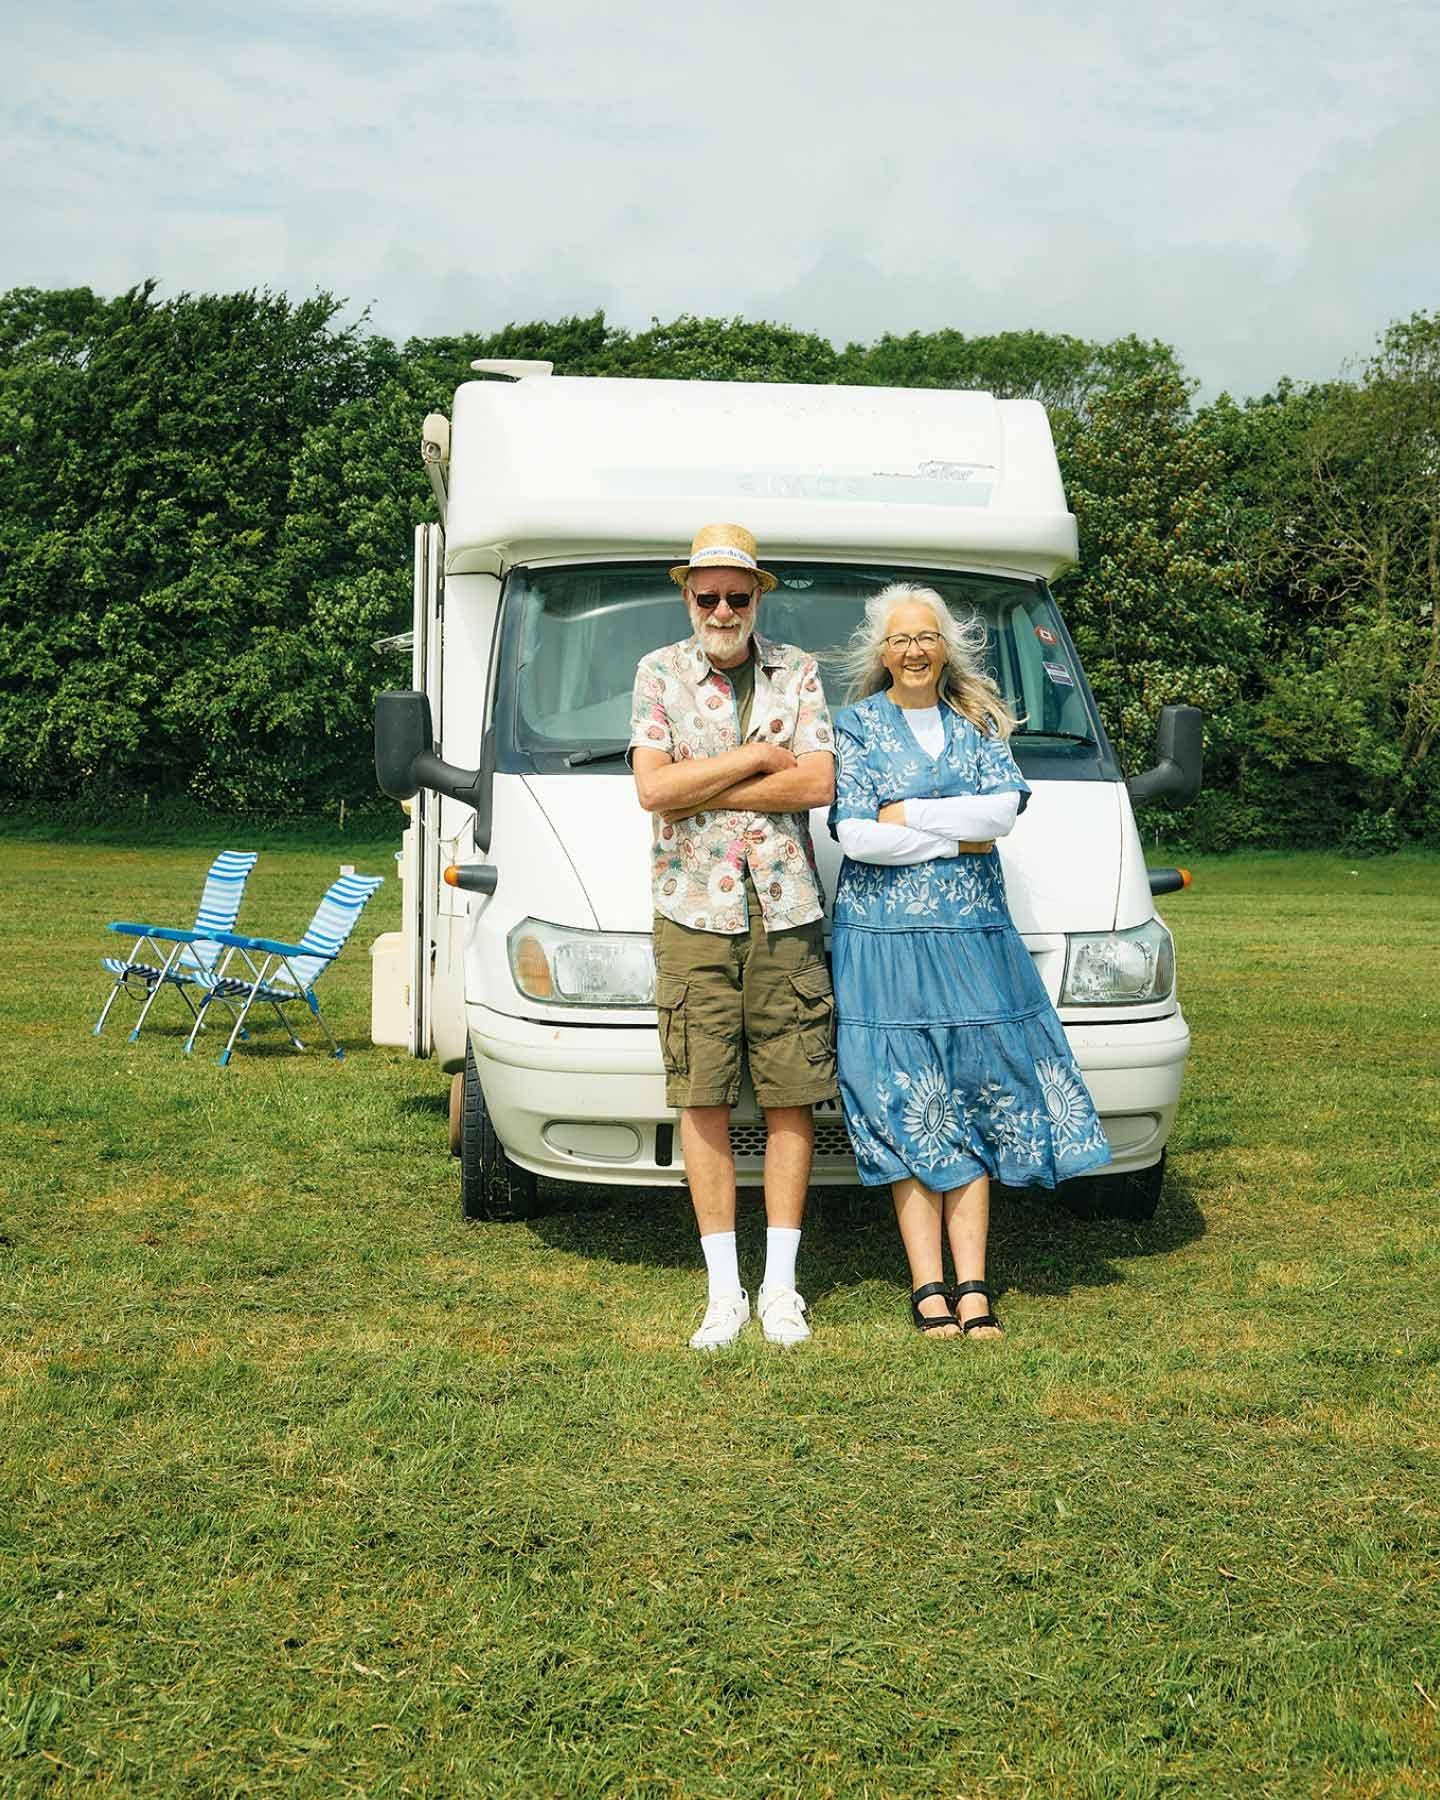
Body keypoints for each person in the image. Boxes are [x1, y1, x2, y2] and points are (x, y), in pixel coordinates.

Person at [828, 583, 1111, 1338]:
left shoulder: (979, 720)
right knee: (903, 1096)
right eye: (900, 639)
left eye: (926, 636)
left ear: (946, 645)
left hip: (972, 939)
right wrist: (959, 833)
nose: (914, 650)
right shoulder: (854, 725)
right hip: (881, 946)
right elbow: (855, 835)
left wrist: (912, 816)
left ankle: (975, 1286)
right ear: (881, 653)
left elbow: (1001, 812)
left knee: (975, 1091)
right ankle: (928, 1287)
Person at [629, 525, 838, 1350]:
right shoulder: (657, 673)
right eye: (707, 595)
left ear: (759, 598)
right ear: (688, 597)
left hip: (784, 909)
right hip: (691, 914)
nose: (722, 609)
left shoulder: (802, 672)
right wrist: (758, 762)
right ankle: (725, 1293)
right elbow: (653, 790)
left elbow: (818, 780)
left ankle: (780, 1287)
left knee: (792, 1094)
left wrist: (705, 782)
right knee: (702, 1096)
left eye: (737, 596)